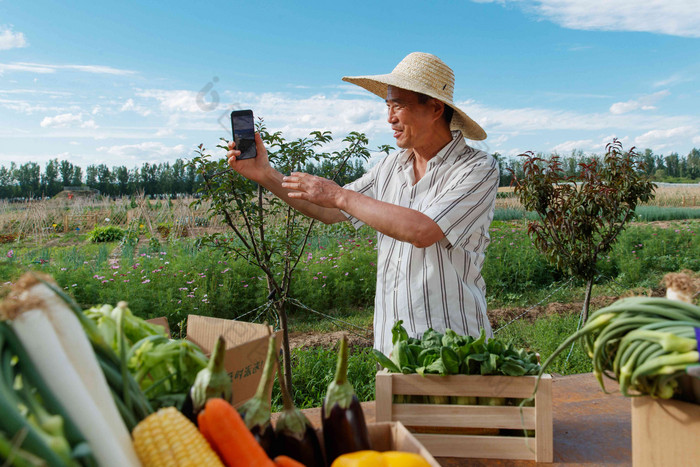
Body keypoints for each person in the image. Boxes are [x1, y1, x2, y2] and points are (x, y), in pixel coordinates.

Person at [227, 52, 499, 355]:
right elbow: (330, 211)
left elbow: (423, 230)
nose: (390, 117)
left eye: (399, 105)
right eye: (388, 105)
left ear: (435, 108)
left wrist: (339, 194)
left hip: (455, 346)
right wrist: (265, 174)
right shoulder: (390, 167)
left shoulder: (476, 168)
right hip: (393, 347)